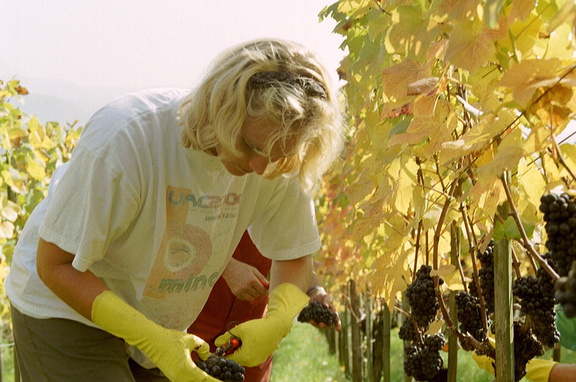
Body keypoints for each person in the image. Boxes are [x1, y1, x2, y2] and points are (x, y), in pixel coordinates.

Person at [6, 38, 344, 382]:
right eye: (248, 146)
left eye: (277, 156)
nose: (260, 167)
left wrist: (276, 323)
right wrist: (151, 338)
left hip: (158, 322)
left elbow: (294, 253)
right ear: (222, 108)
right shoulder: (126, 140)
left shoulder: (277, 150)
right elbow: (55, 264)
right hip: (64, 305)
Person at [188, 230, 341, 381]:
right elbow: (180, 233)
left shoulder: (283, 209)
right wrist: (227, 268)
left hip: (255, 329)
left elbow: (291, 255)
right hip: (198, 320)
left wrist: (315, 290)